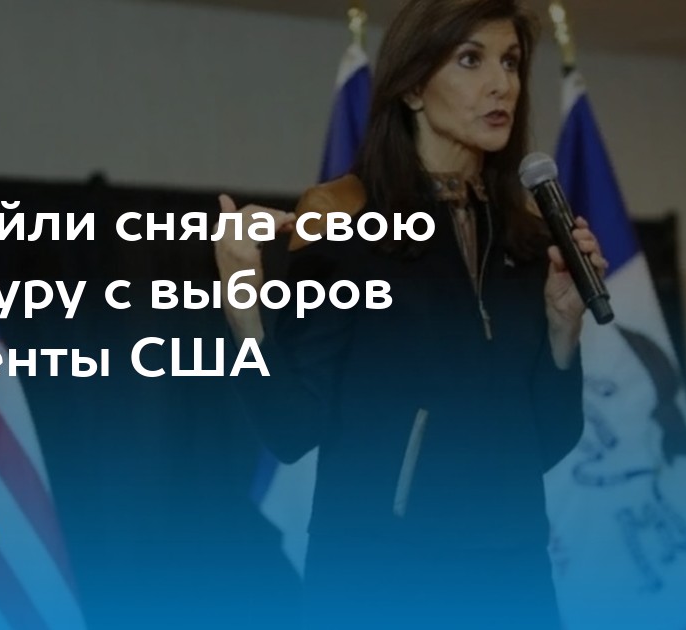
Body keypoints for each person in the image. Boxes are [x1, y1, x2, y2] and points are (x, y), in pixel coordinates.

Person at [214, 1, 608, 627]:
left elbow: (548, 440)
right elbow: (291, 429)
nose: (502, 84)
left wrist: (564, 329)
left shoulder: (532, 236)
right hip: (379, 572)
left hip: (512, 575)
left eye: (510, 62)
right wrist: (244, 312)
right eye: (471, 60)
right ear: (414, 87)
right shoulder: (342, 217)